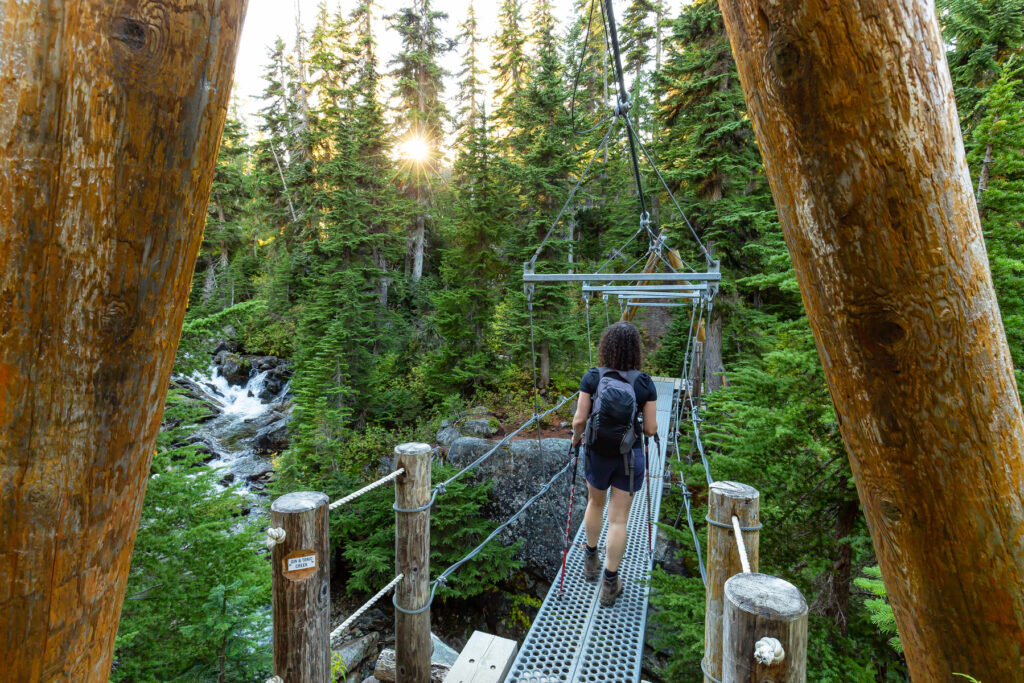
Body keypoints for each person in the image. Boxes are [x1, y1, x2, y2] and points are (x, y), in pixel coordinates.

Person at [571, 321, 658, 607]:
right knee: (618, 519)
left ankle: (590, 558)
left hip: (597, 453)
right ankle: (610, 582)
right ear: (636, 350)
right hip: (628, 457)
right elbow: (650, 429)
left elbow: (580, 421)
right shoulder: (645, 383)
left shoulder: (593, 377)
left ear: (606, 346)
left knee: (595, 504)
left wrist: (575, 439)